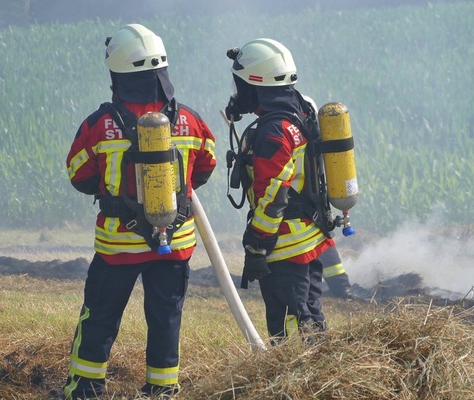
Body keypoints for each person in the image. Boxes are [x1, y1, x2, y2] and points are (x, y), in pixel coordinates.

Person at [62, 23, 216, 399]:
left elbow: (78, 173)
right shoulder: (190, 119)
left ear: (117, 72)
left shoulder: (99, 125)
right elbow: (207, 165)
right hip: (175, 243)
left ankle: (85, 389)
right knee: (165, 320)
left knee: (99, 317)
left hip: (119, 246)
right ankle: (162, 390)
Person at [223, 38, 334, 344]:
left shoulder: (273, 131)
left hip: (285, 246)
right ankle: (320, 380)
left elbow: (273, 196)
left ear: (255, 84)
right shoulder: (301, 111)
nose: (238, 93)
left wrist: (257, 243)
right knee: (310, 318)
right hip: (309, 235)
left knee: (290, 330)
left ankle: (298, 386)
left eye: (241, 84)